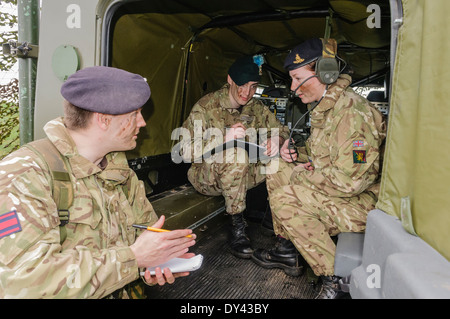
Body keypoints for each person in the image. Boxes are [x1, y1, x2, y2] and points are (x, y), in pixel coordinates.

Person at [0, 66, 196, 299]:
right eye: (135, 114)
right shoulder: (25, 174)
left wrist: (155, 262)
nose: (142, 123)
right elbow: (24, 283)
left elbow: (141, 244)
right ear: (103, 120)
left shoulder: (121, 175)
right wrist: (134, 258)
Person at [251, 38, 386, 298]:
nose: (293, 88)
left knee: (285, 198)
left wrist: (303, 174)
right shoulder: (325, 108)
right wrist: (295, 153)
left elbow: (351, 182)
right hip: (343, 190)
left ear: (325, 73)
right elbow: (323, 156)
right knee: (277, 167)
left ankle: (335, 279)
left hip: (362, 203)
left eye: (297, 78)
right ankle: (288, 250)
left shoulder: (352, 113)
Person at [178, 55, 290, 259]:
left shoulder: (256, 107)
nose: (247, 93)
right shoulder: (206, 106)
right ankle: (237, 226)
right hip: (207, 177)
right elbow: (183, 151)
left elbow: (282, 130)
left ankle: (279, 226)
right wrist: (222, 138)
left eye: (253, 86)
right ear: (230, 79)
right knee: (236, 155)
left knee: (283, 160)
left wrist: (277, 140)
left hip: (242, 174)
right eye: (242, 85)